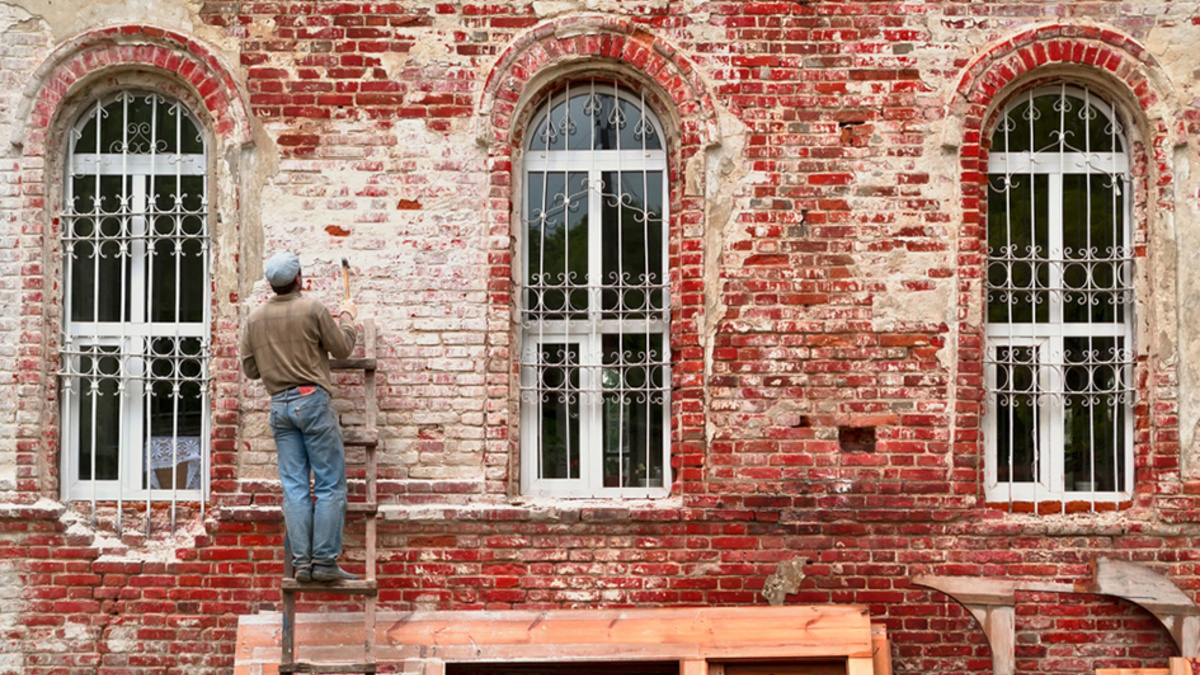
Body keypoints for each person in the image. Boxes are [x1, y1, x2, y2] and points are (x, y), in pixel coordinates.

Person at [240, 251, 360, 583]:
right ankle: (323, 562)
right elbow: (342, 348)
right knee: (329, 484)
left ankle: (301, 564)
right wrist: (347, 317)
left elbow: (250, 370)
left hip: (279, 406)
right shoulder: (313, 309)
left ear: (271, 284)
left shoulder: (254, 319)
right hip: (312, 402)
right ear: (299, 279)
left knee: (294, 487)